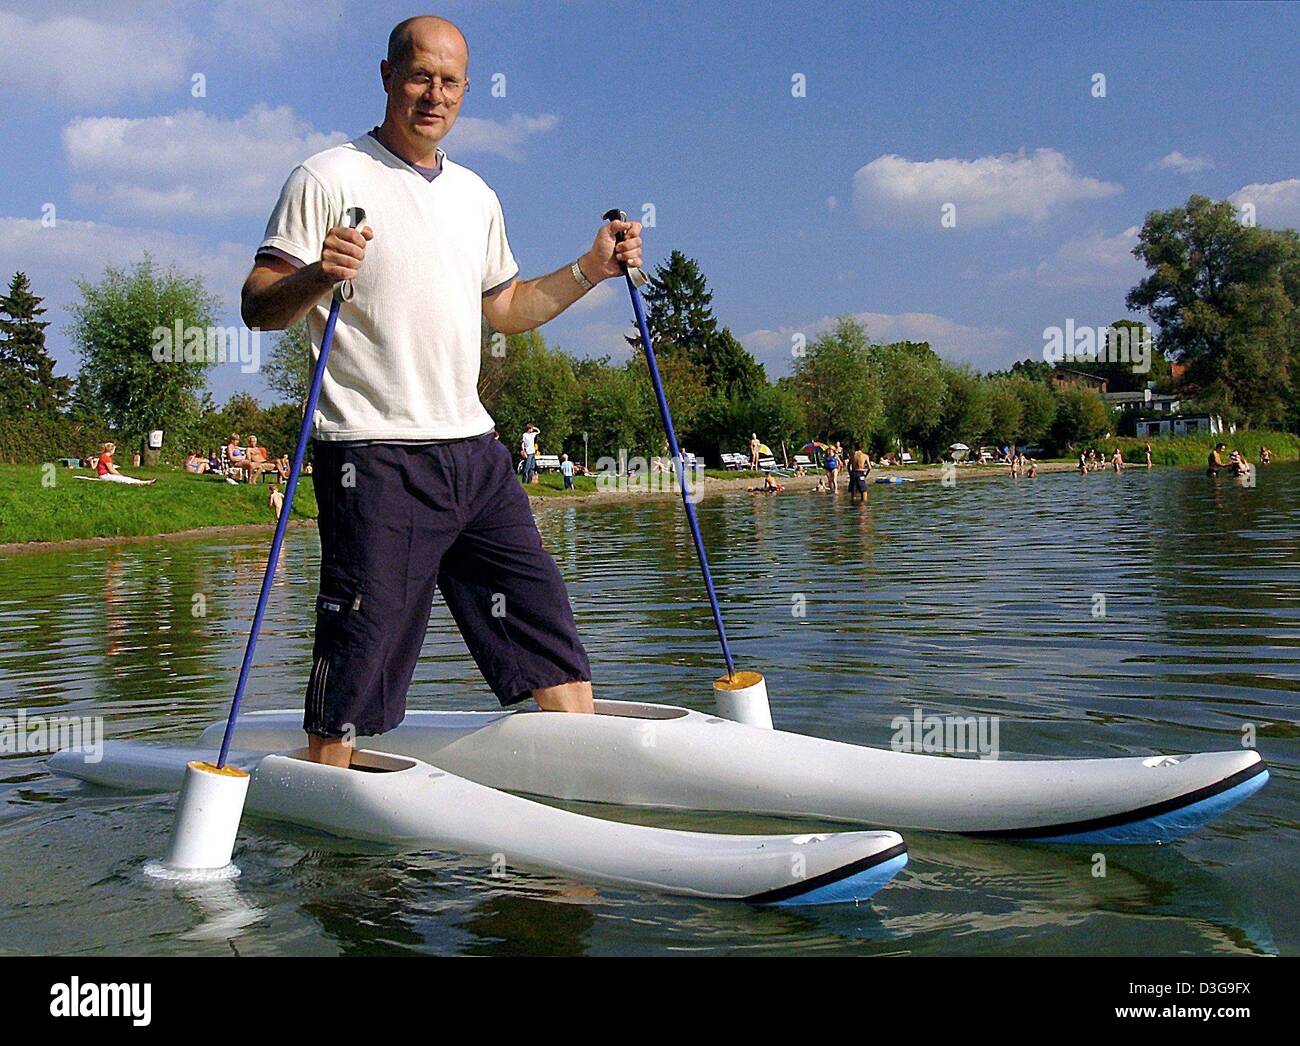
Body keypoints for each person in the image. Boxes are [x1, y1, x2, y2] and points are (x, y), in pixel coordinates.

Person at [240, 15, 643, 768]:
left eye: (450, 81)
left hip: (475, 456)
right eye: (420, 75)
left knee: (551, 646)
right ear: (387, 75)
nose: (435, 94)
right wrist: (318, 274)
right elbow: (258, 305)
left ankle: (580, 812)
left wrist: (592, 268)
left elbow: (509, 307)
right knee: (357, 672)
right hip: (374, 456)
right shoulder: (327, 177)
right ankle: (334, 839)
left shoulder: (475, 195)